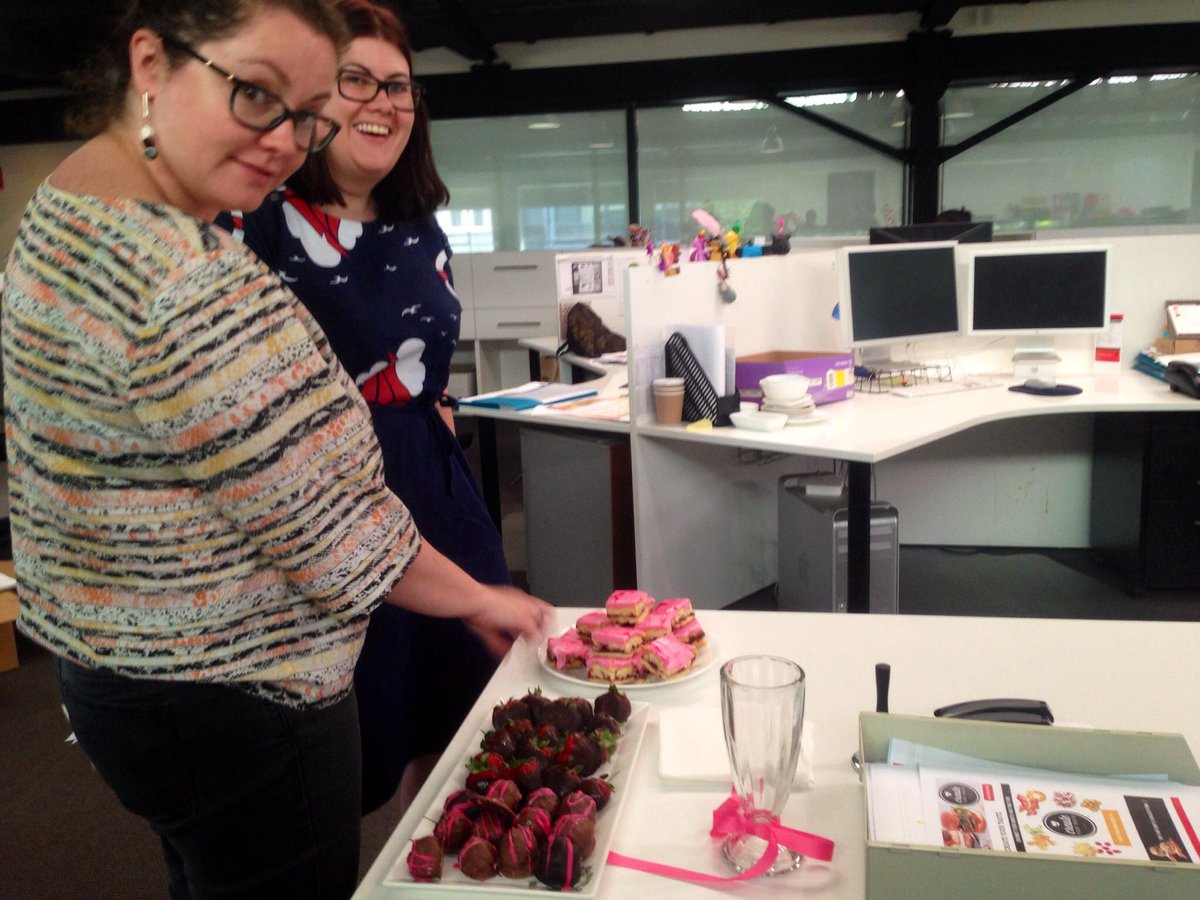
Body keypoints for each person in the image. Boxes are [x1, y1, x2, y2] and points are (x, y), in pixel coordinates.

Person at [0, 2, 552, 897]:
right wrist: (482, 598)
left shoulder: (70, 202)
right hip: (242, 686)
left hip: (119, 665)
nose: (286, 142)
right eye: (257, 95)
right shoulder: (191, 279)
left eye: (304, 117)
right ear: (150, 60)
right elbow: (336, 535)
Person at [219, 0, 514, 817]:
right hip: (329, 507)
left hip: (438, 493)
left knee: (457, 720)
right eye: (357, 81)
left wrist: (436, 407)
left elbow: (425, 354)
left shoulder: (419, 224)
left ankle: (426, 864)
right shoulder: (260, 220)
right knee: (351, 735)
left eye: (399, 86)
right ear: (313, 96)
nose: (383, 103)